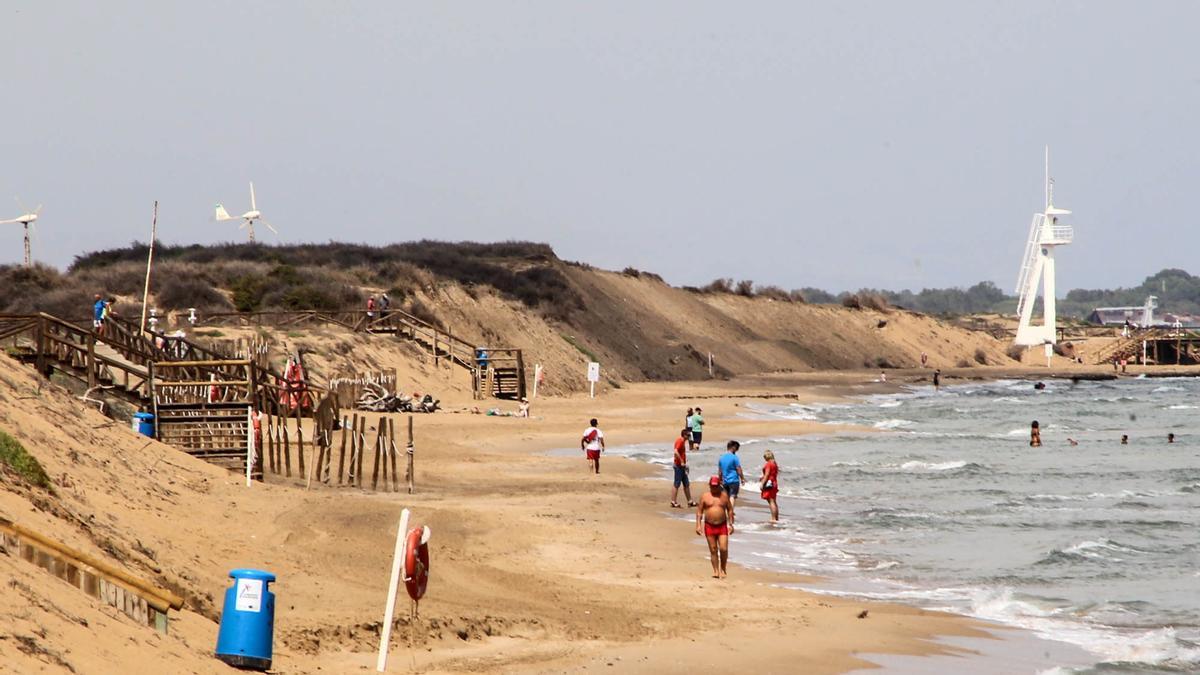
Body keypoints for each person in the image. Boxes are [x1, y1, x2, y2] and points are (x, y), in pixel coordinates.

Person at [695, 475, 734, 579]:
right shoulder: (705, 496)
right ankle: (716, 571)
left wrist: (731, 524)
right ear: (709, 485)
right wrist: (698, 525)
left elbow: (730, 510)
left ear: (719, 486)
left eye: (716, 486)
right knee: (713, 549)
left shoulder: (724, 496)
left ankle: (723, 569)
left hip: (722, 526)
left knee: (723, 548)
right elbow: (699, 512)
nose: (714, 488)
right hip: (709, 525)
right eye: (712, 486)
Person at [670, 428, 695, 508]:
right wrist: (681, 461)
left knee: (686, 484)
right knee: (676, 484)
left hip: (682, 466)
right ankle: (673, 501)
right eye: (688, 435)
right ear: (684, 435)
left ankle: (690, 501)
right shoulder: (680, 441)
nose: (689, 437)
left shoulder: (683, 442)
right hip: (678, 466)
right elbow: (676, 451)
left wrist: (684, 461)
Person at [760, 450, 780, 522]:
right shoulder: (774, 464)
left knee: (771, 501)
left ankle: (773, 518)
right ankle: (776, 518)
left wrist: (762, 483)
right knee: (774, 501)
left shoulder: (768, 464)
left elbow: (767, 474)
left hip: (769, 483)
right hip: (774, 483)